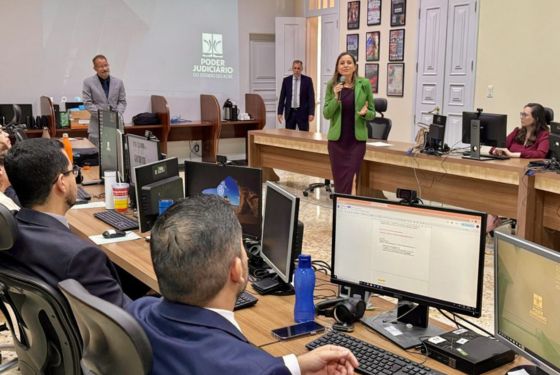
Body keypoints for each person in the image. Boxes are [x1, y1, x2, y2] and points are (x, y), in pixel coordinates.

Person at [127, 195, 359, 375]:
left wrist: (294, 366)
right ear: (236, 270)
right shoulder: (254, 368)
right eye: (242, 247)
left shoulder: (137, 313)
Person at [2, 138, 130, 308]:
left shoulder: (8, 237)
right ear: (62, 183)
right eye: (72, 171)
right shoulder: (81, 257)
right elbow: (127, 319)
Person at [487, 103, 550, 233]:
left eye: (525, 114)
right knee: (490, 193)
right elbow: (500, 144)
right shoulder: (517, 132)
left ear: (536, 118)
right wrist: (497, 150)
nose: (521, 117)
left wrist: (514, 154)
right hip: (509, 175)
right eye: (521, 114)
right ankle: (494, 221)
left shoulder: (544, 135)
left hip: (527, 177)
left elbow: (540, 154)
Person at [323, 52, 375, 195]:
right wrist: (335, 97)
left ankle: (349, 209)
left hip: (356, 142)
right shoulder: (332, 85)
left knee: (352, 179)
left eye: (349, 62)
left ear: (355, 66)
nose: (345, 65)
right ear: (338, 67)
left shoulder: (364, 84)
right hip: (337, 143)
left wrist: (365, 113)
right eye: (342, 63)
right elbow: (326, 114)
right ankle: (340, 210)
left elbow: (372, 113)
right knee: (339, 181)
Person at [82, 54, 127, 146]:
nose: (104, 68)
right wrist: (104, 116)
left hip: (116, 125)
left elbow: (122, 101)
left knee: (116, 157)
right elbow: (87, 103)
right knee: (96, 157)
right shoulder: (88, 82)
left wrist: (116, 115)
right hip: (96, 127)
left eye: (106, 65)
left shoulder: (119, 82)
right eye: (101, 66)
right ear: (95, 68)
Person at [277, 60, 316, 131]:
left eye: (298, 68)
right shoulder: (286, 80)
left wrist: (311, 113)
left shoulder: (307, 80)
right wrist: (280, 112)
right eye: (295, 68)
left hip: (303, 112)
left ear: (301, 69)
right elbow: (282, 97)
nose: (296, 70)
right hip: (290, 113)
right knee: (289, 135)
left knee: (304, 136)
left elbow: (311, 98)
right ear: (292, 69)